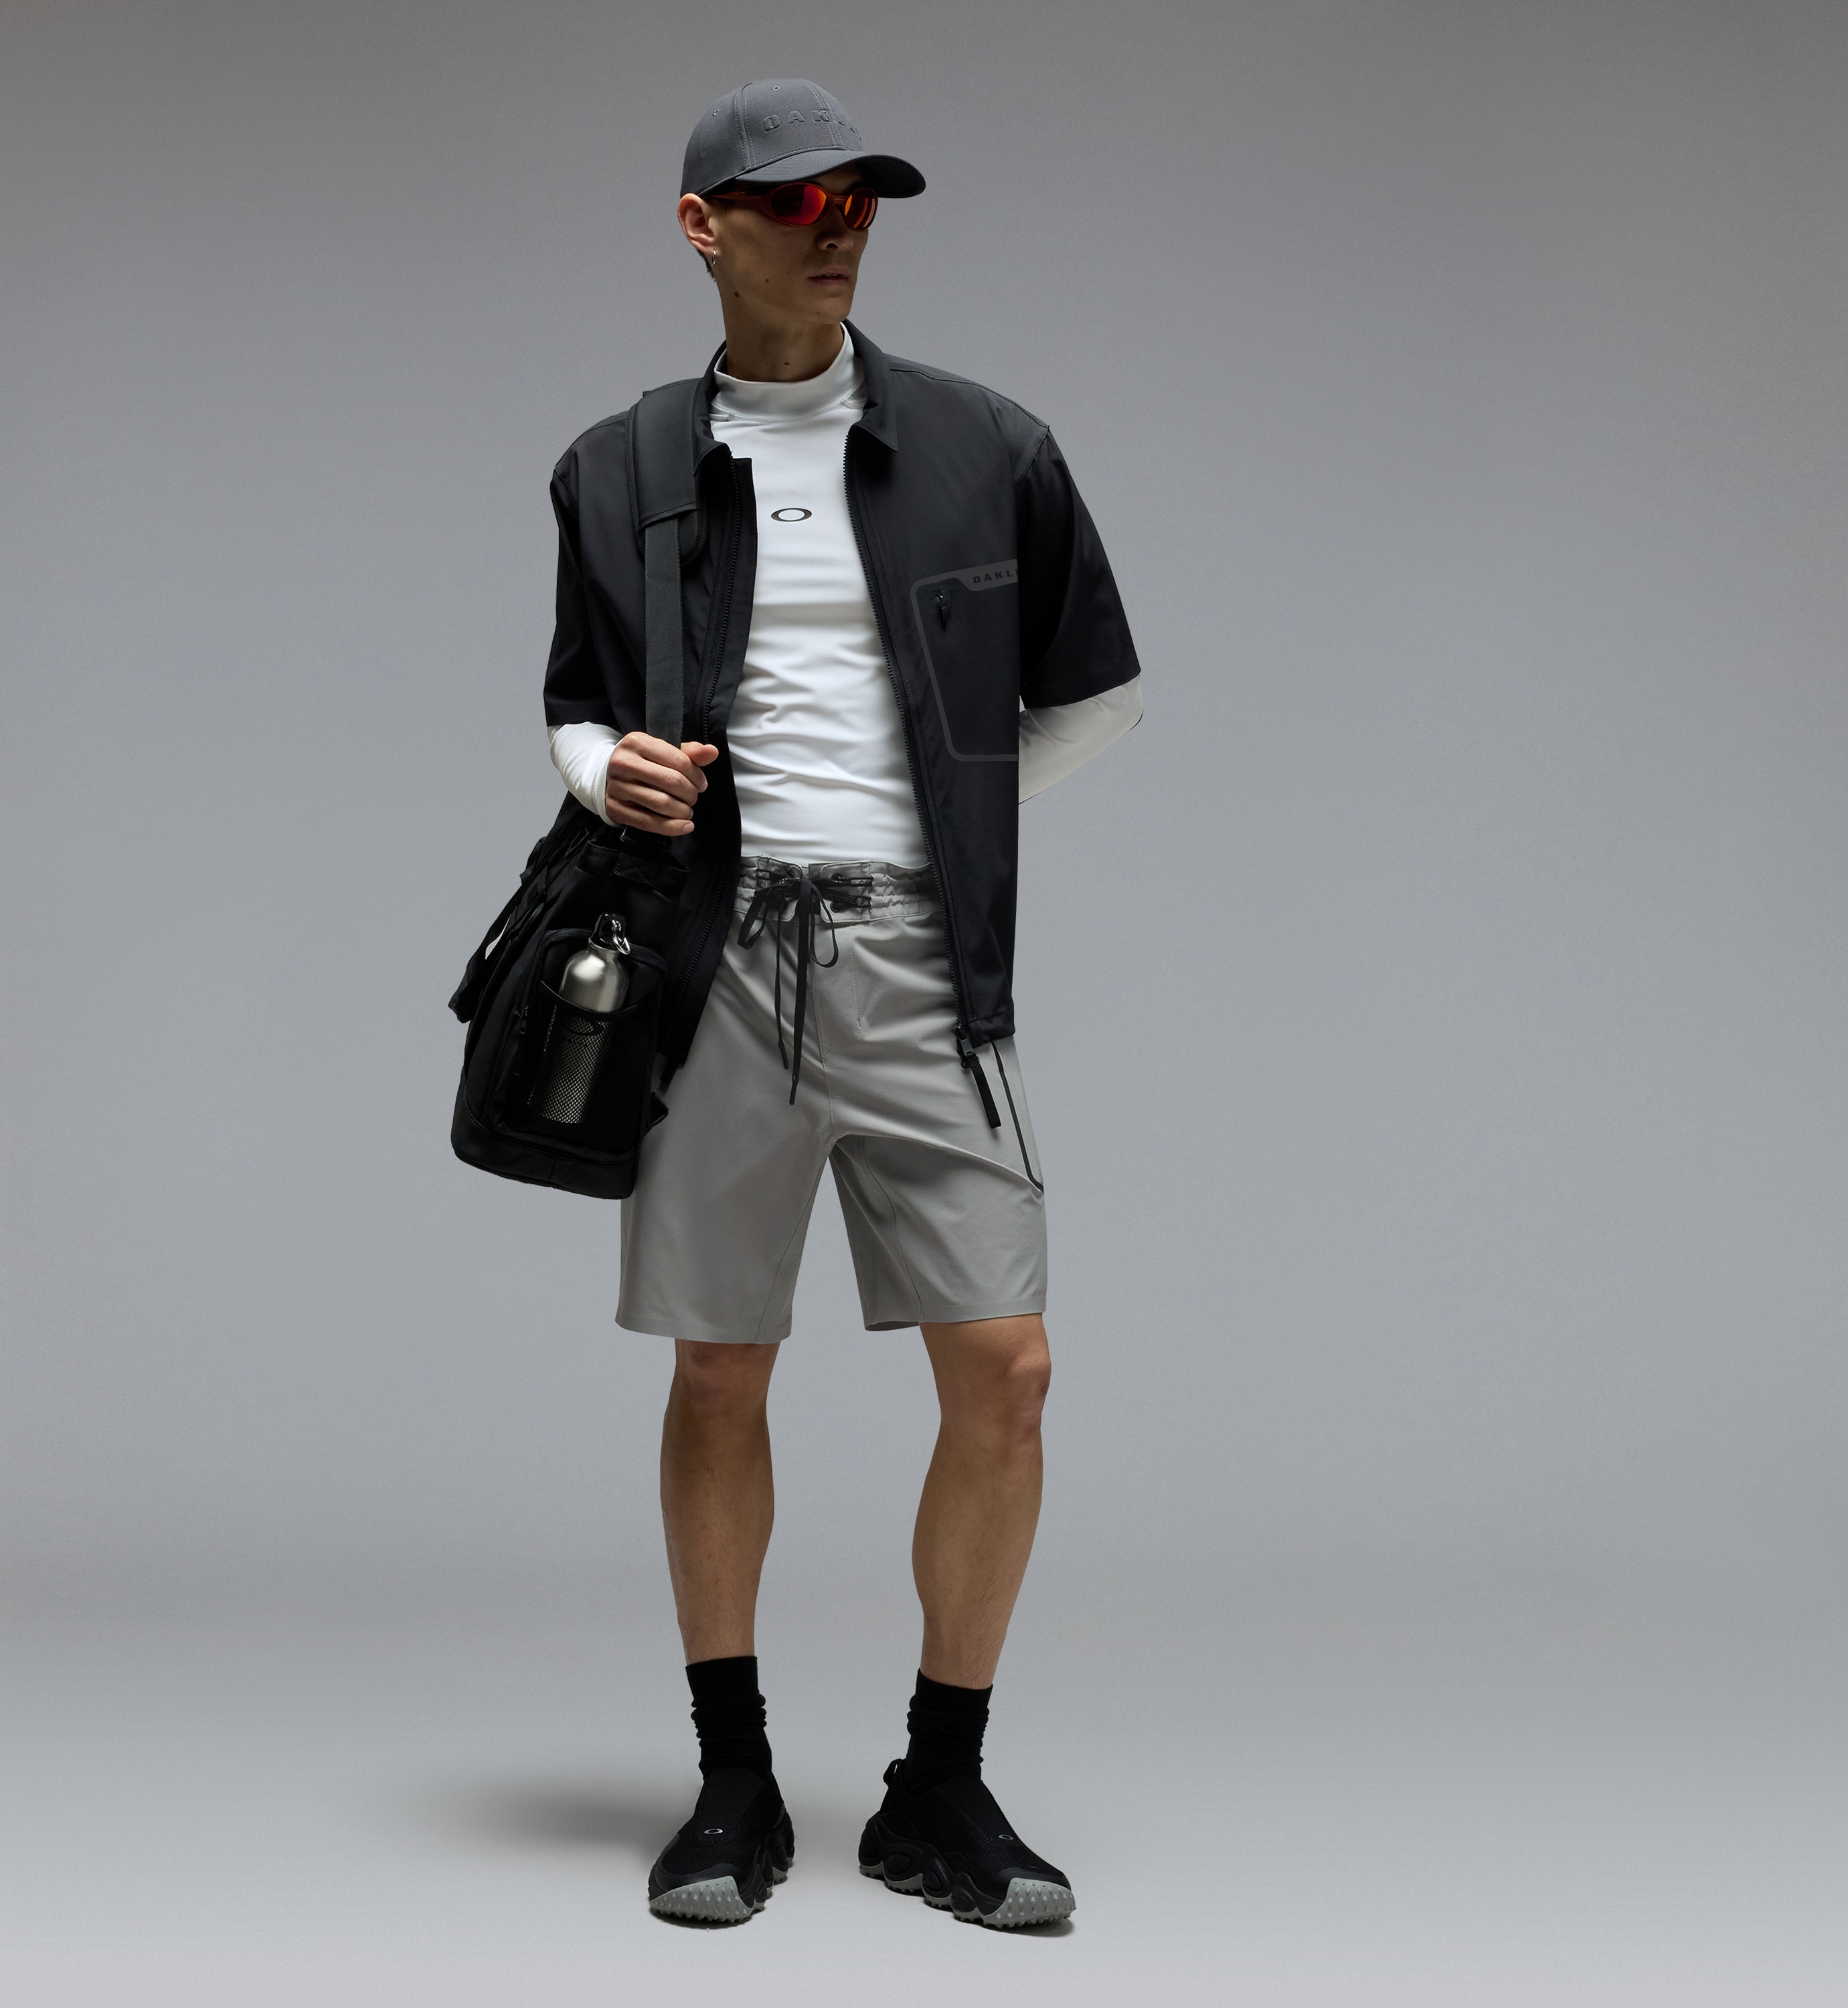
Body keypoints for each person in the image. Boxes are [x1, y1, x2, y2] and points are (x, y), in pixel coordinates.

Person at [541, 79, 1142, 1928]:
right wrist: (606, 771)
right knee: (720, 1366)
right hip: (709, 962)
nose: (842, 225)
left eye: (862, 199)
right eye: (800, 201)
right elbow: (576, 698)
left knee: (1008, 1368)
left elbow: (1093, 688)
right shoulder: (620, 465)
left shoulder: (987, 443)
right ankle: (731, 1780)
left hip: (916, 959)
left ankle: (937, 1787)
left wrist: (956, 823)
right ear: (704, 226)